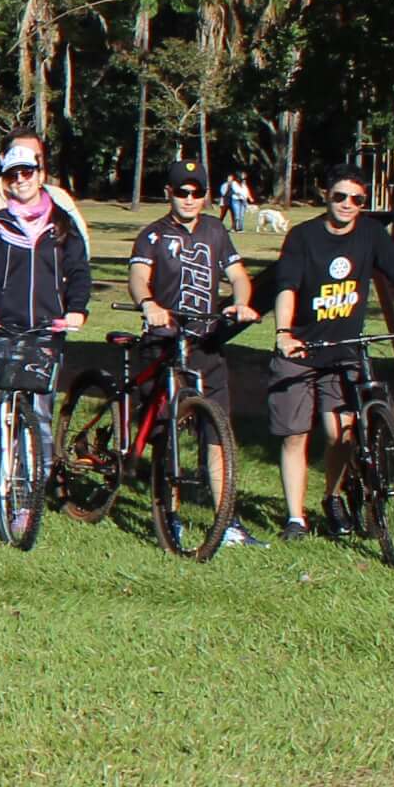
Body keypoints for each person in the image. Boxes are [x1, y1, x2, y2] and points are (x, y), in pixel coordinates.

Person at [267, 172, 394, 541]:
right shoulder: (303, 236)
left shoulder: (370, 234)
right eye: (340, 196)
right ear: (326, 195)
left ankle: (332, 497)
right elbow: (287, 286)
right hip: (301, 349)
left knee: (342, 434)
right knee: (295, 436)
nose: (347, 205)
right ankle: (295, 519)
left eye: (357, 199)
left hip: (344, 350)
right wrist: (284, 333)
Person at [129, 162, 259, 550]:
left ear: (205, 196)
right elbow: (138, 277)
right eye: (182, 192)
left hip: (205, 344)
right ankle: (169, 514)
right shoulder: (152, 235)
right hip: (165, 342)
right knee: (166, 432)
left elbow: (238, 275)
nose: (189, 199)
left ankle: (227, 519)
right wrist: (149, 304)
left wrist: (241, 303)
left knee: (217, 434)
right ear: (168, 193)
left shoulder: (216, 231)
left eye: (197, 192)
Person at [0, 144, 90, 433]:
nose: (20, 180)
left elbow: (78, 270)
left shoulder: (61, 223)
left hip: (46, 326)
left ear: (40, 175)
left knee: (41, 413)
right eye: (12, 175)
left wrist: (77, 308)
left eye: (26, 172)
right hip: (2, 325)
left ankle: (40, 463)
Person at [0, 132, 88, 267]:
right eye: (20, 156)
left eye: (36, 157)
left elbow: (82, 252)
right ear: (3, 159)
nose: (28, 163)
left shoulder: (59, 198)